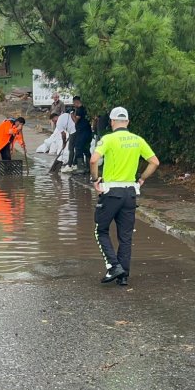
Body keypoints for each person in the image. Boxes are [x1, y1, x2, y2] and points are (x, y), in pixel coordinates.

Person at [90, 106, 160, 287]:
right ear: (127, 122)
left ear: (112, 122)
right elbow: (154, 162)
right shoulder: (138, 140)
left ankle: (114, 266)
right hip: (130, 193)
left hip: (111, 192)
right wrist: (142, 179)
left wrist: (95, 179)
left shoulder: (108, 139)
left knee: (101, 230)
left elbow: (93, 160)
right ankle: (124, 276)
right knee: (125, 236)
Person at [63, 96, 91, 173]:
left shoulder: (79, 110)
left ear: (76, 102)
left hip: (82, 132)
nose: (73, 105)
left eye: (74, 103)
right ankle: (89, 167)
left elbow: (75, 121)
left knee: (78, 148)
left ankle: (81, 168)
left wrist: (71, 114)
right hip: (88, 131)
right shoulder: (85, 109)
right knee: (86, 149)